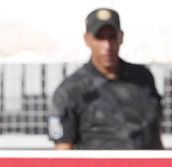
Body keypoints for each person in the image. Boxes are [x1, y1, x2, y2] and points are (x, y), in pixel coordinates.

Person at [47, 8, 164, 150]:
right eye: (100, 38)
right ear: (87, 39)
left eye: (112, 37)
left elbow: (155, 136)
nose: (107, 46)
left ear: (121, 37)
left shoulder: (142, 78)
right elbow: (63, 153)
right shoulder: (70, 90)